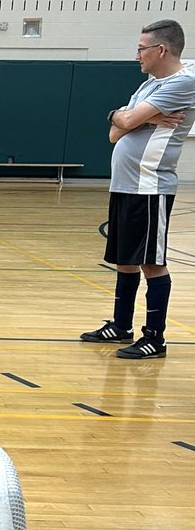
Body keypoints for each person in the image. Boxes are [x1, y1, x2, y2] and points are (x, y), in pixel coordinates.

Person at [81, 19, 195, 359]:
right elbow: (115, 132)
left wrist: (130, 118)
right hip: (125, 185)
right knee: (125, 260)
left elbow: (126, 124)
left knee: (150, 262)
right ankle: (120, 325)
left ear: (161, 50)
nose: (137, 55)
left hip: (150, 186)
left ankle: (154, 338)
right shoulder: (148, 86)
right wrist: (131, 116)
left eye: (141, 48)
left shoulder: (183, 82)